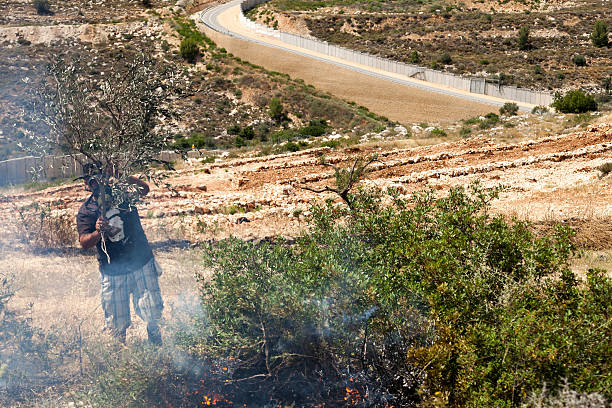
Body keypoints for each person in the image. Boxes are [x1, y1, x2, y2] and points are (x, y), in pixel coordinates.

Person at [76, 164, 163, 345]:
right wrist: (98, 232)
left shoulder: (122, 196)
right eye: (93, 181)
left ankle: (157, 348)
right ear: (86, 185)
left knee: (152, 312)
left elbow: (144, 189)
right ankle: (120, 357)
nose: (98, 184)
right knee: (116, 322)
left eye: (101, 178)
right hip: (112, 269)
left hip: (141, 262)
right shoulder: (87, 210)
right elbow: (84, 241)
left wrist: (120, 174)